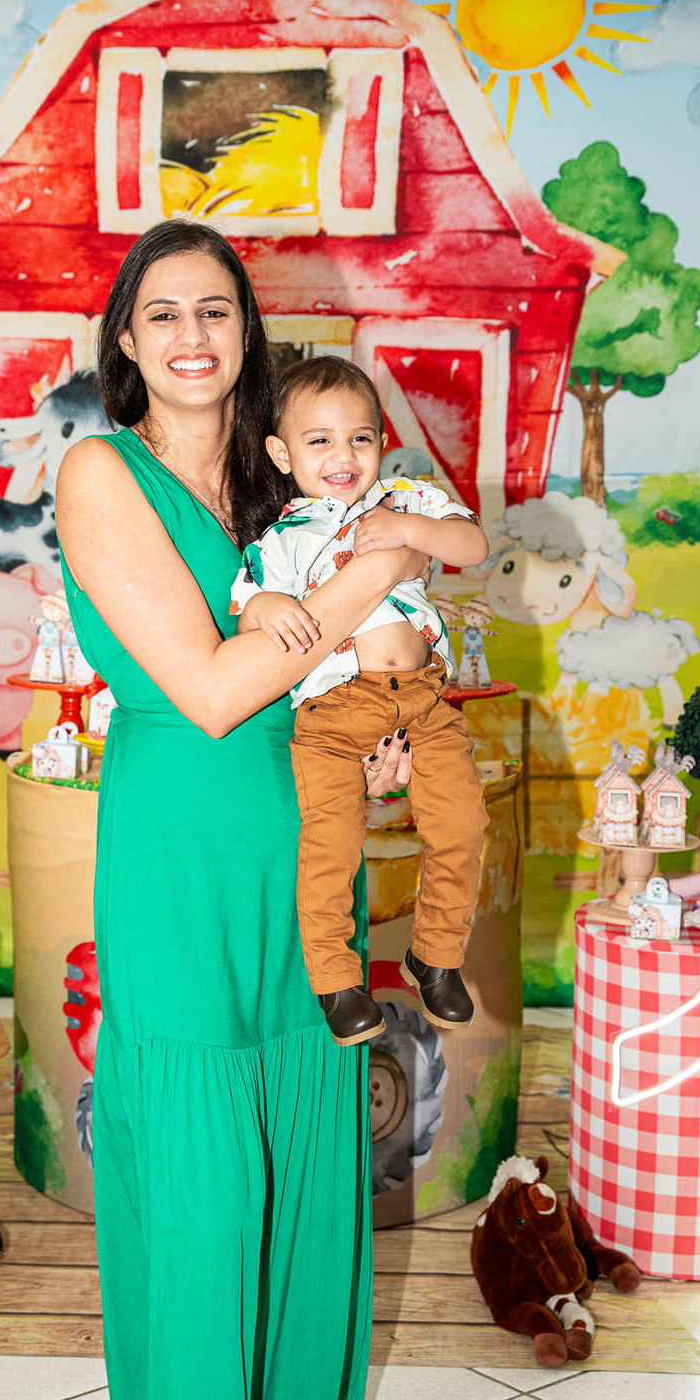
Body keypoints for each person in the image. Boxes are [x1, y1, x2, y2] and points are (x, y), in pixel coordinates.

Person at [55, 220, 431, 1400]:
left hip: (310, 841)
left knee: (308, 1160)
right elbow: (213, 690)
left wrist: (377, 728)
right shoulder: (103, 473)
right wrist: (379, 566)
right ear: (127, 340)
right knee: (205, 1187)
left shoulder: (287, 477)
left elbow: (326, 673)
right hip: (183, 845)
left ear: (247, 332)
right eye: (162, 313)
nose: (192, 335)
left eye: (216, 309)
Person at [231, 357, 491, 1046]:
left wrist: (411, 533)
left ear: (381, 442)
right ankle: (335, 979)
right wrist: (266, 605)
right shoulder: (282, 538)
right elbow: (247, 607)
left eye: (360, 438)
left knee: (462, 824)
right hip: (334, 714)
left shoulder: (405, 501)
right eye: (319, 441)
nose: (342, 456)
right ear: (282, 454)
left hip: (424, 702)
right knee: (331, 845)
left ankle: (436, 957)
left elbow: (471, 543)